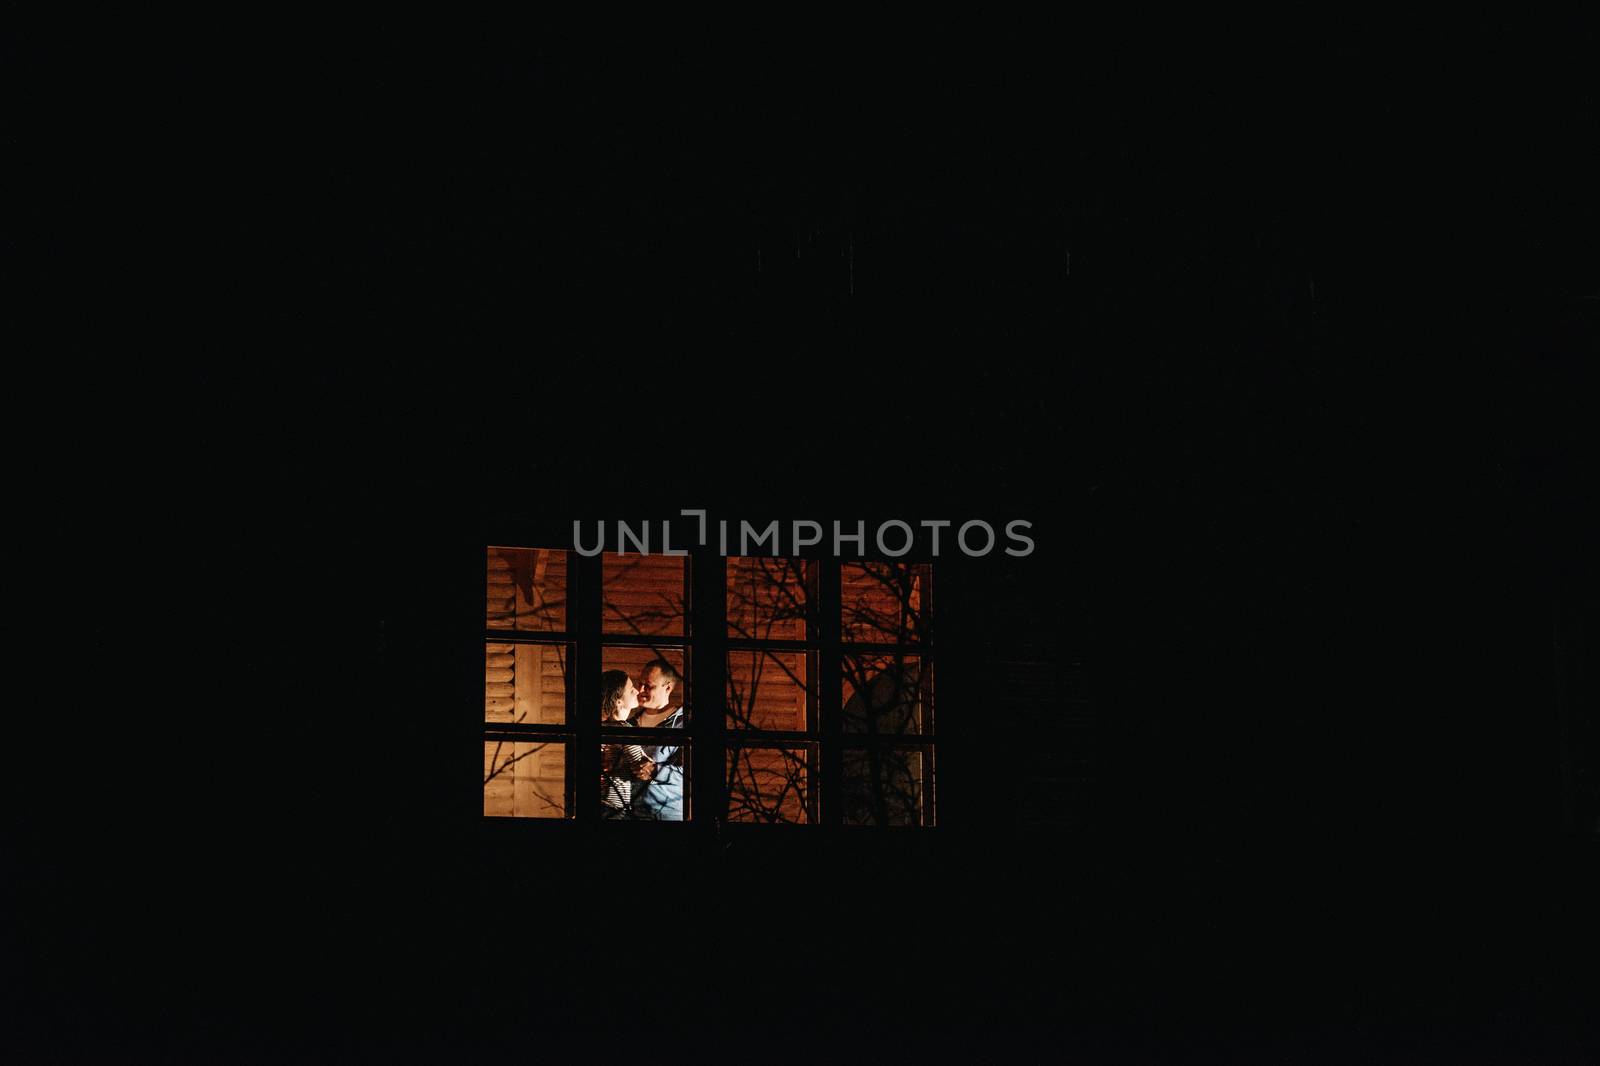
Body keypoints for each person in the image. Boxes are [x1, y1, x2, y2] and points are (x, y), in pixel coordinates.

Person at [629, 658, 687, 820]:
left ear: (668, 688)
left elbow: (693, 776)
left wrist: (656, 771)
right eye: (640, 683)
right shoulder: (628, 724)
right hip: (628, 817)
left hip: (665, 818)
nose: (640, 689)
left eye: (648, 685)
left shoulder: (683, 724)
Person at [598, 670, 649, 818]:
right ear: (618, 701)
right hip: (613, 805)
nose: (637, 691)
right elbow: (640, 764)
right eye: (631, 689)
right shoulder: (623, 729)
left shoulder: (604, 727)